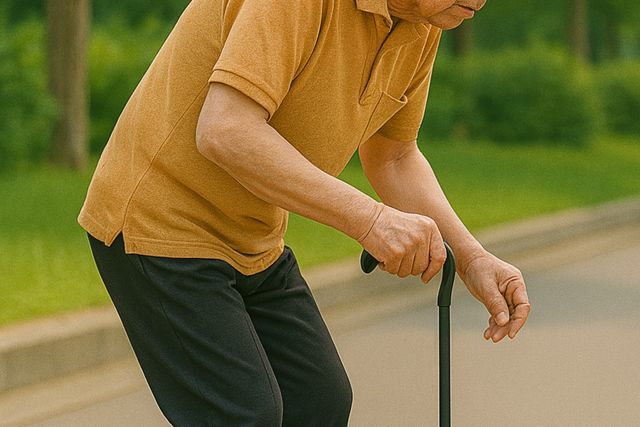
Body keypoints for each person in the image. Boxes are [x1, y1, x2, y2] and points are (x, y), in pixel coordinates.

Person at [79, 0, 531, 425]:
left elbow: (393, 158)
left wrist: (472, 258)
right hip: (159, 223)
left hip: (254, 238)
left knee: (317, 401)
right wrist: (370, 220)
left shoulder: (420, 21)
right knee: (246, 414)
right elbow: (225, 130)